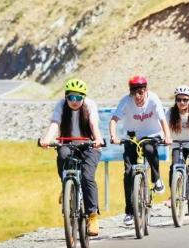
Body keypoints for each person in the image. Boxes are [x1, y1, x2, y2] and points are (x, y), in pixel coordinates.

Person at [40, 78, 103, 236]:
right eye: (71, 97)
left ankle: (92, 216)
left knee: (87, 177)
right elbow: (55, 124)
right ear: (66, 96)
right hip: (67, 143)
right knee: (62, 155)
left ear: (84, 97)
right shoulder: (61, 105)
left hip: (89, 144)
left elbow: (94, 124)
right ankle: (66, 185)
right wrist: (47, 139)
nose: (74, 101)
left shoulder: (90, 105)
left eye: (78, 98)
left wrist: (98, 139)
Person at [109, 75, 171, 226]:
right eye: (134, 92)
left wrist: (167, 136)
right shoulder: (126, 101)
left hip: (152, 134)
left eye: (141, 92)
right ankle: (129, 211)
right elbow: (114, 120)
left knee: (149, 149)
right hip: (132, 136)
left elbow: (162, 119)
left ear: (146, 90)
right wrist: (113, 136)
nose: (137, 96)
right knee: (128, 172)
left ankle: (156, 179)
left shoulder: (153, 99)